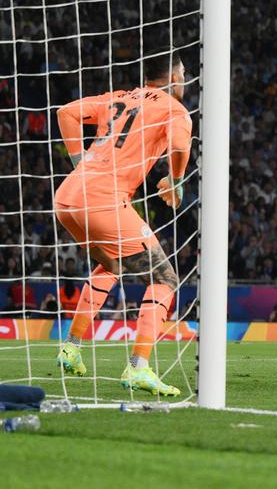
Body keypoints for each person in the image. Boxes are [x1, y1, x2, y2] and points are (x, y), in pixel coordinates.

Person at [53, 52, 191, 397]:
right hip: (103, 200)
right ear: (173, 77)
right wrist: (175, 182)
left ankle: (70, 347)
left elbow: (65, 113)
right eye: (184, 73)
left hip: (67, 197)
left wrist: (78, 161)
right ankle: (138, 368)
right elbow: (178, 145)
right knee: (164, 277)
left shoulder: (118, 97)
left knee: (111, 264)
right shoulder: (174, 108)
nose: (185, 80)